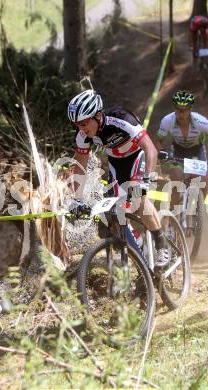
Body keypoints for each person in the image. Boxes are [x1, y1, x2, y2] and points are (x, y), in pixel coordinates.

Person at [67, 89, 169, 267]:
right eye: (76, 124)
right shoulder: (82, 135)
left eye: (83, 123)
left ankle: (161, 245)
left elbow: (150, 149)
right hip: (117, 164)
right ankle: (140, 261)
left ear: (98, 116)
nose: (81, 128)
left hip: (139, 156)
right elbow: (80, 168)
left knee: (139, 199)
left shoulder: (121, 119)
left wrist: (146, 180)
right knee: (115, 213)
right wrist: (77, 200)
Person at [156, 90, 208, 205]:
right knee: (176, 181)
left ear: (190, 109)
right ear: (174, 108)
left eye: (184, 110)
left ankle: (197, 212)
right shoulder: (167, 121)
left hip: (197, 151)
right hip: (178, 151)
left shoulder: (200, 121)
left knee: (204, 183)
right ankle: (173, 216)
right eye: (178, 109)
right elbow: (157, 140)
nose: (181, 113)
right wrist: (161, 151)